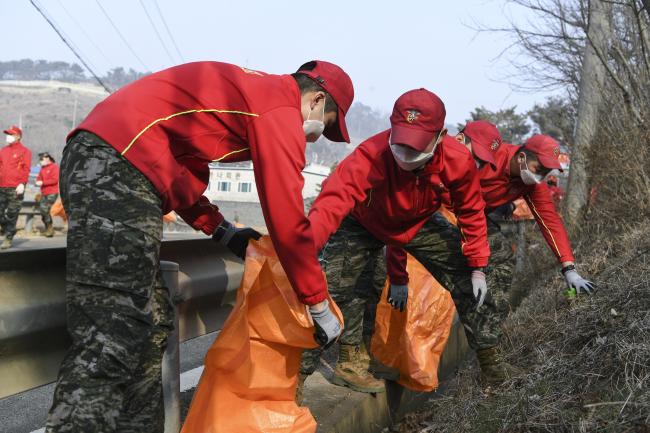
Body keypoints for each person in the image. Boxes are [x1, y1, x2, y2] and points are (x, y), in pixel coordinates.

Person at [45, 60, 353, 433]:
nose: (314, 138)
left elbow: (172, 169)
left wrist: (220, 230)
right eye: (326, 126)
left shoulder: (248, 98)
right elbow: (288, 220)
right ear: (317, 99)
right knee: (114, 330)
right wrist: (317, 301)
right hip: (114, 160)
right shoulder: (278, 110)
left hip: (123, 162)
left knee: (150, 327)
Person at [297, 89, 491, 400]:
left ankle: (495, 373)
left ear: (440, 136)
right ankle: (298, 381)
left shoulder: (457, 159)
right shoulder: (369, 155)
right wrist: (304, 256)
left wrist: (478, 265)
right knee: (334, 289)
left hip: (418, 222)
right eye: (400, 142)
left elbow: (470, 209)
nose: (405, 153)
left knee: (468, 277)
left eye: (415, 146)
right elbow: (331, 202)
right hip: (362, 221)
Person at [386, 128, 595, 383]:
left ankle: (488, 330)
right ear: (521, 157)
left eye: (546, 171)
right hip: (435, 212)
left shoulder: (530, 186)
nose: (541, 175)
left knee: (502, 256)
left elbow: (550, 221)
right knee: (423, 286)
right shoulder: (487, 156)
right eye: (538, 167)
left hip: (472, 221)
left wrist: (569, 268)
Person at [0, 125, 31, 250]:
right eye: (7, 134)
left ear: (18, 136)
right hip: (2, 186)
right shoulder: (3, 150)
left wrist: (22, 183)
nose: (8, 136)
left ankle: (8, 238)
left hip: (15, 188)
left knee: (12, 214)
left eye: (11, 134)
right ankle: (10, 230)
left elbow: (26, 168)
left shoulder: (25, 151)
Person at [36, 152, 60, 237]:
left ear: (47, 158)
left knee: (44, 208)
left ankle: (49, 229)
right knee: (43, 211)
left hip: (52, 192)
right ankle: (48, 228)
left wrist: (43, 182)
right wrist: (38, 181)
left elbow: (55, 180)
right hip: (44, 192)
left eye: (42, 159)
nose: (40, 161)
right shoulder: (42, 169)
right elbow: (39, 177)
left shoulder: (54, 167)